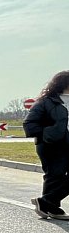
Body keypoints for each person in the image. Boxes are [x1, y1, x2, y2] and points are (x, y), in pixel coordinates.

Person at [23, 70, 69, 220]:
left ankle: (46, 203)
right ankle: (51, 206)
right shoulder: (46, 102)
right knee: (54, 176)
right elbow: (29, 124)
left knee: (54, 177)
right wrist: (49, 133)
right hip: (51, 144)